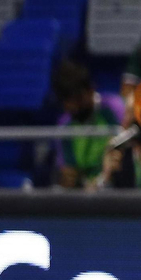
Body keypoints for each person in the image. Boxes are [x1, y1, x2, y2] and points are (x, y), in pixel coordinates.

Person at [53, 61, 121, 189]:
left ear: (91, 90)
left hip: (116, 186)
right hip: (82, 193)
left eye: (78, 99)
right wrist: (68, 179)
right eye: (68, 102)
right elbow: (67, 171)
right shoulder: (64, 125)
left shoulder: (114, 108)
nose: (74, 107)